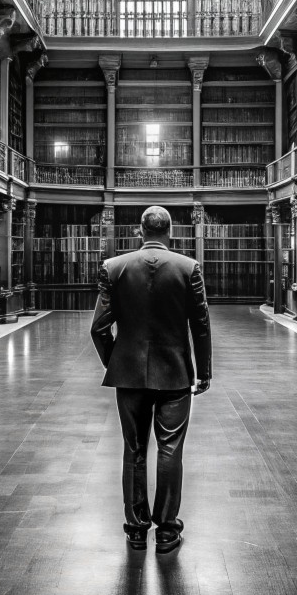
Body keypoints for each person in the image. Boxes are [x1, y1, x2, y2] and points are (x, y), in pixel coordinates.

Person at [90, 205, 212, 555]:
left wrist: (116, 361)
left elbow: (98, 328)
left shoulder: (114, 268)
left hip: (128, 375)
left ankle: (135, 529)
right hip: (175, 374)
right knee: (171, 449)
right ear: (170, 231)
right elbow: (200, 325)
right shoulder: (189, 268)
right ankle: (167, 531)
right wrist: (203, 371)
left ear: (140, 231)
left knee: (135, 449)